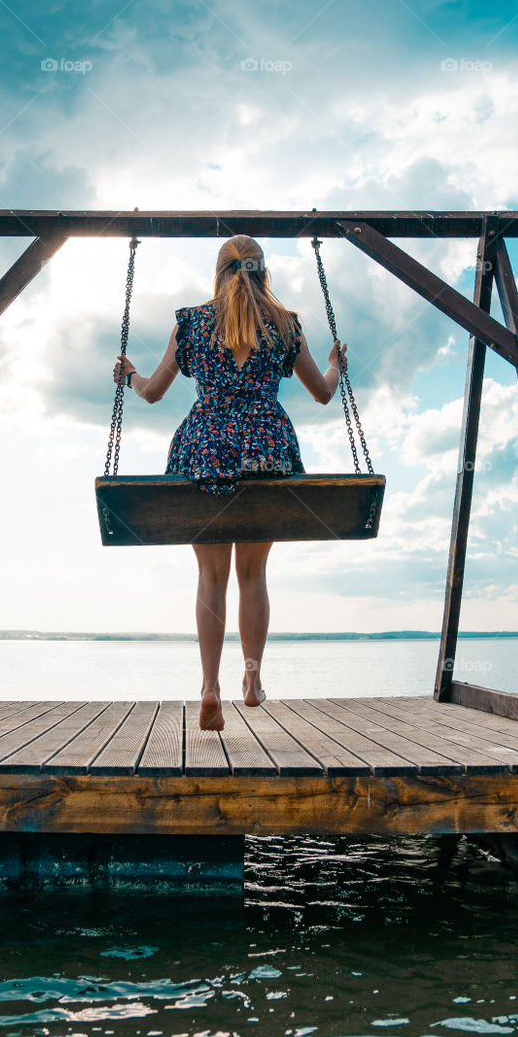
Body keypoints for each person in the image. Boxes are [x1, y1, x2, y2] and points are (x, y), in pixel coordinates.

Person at [112, 234, 346, 732]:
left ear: (219, 272)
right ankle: (253, 680)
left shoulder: (193, 323)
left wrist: (128, 375)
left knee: (212, 577)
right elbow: (324, 395)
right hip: (265, 452)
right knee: (253, 575)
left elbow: (153, 393)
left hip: (206, 453)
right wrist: (334, 366)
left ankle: (209, 688)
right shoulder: (285, 325)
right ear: (264, 272)